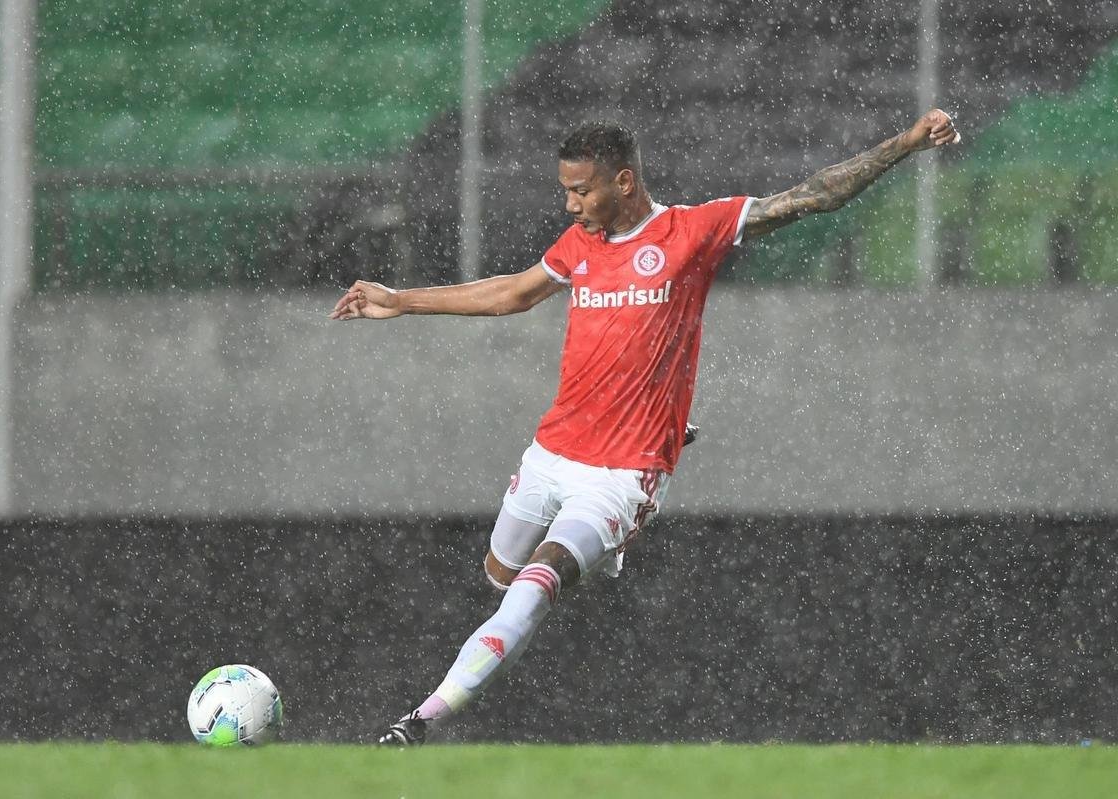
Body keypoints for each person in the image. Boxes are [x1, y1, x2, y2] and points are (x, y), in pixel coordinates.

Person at [330, 109, 961, 745]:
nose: (572, 204)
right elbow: (512, 294)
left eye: (582, 191)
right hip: (552, 451)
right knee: (498, 574)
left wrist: (906, 143)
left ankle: (421, 721)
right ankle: (604, 554)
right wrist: (402, 300)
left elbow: (812, 197)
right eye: (565, 191)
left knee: (532, 587)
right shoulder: (581, 245)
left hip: (622, 473)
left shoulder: (691, 232)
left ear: (624, 182)